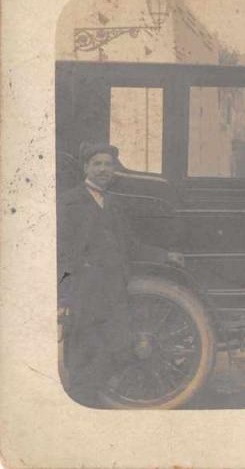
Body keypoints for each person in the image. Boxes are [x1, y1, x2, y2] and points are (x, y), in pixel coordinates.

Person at [57, 142, 182, 407]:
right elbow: (62, 254)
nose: (103, 169)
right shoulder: (69, 202)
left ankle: (95, 402)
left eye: (108, 164)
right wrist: (64, 298)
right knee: (84, 354)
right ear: (86, 168)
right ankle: (82, 405)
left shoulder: (112, 203)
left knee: (118, 348)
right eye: (97, 164)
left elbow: (130, 245)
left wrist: (164, 256)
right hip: (85, 291)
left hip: (114, 290)